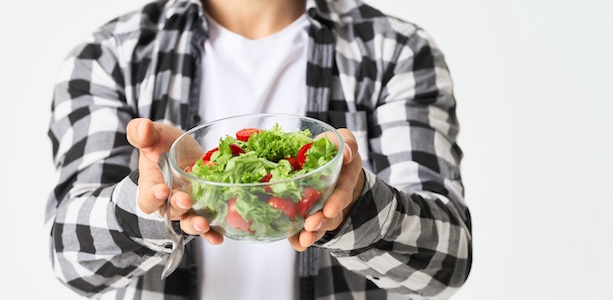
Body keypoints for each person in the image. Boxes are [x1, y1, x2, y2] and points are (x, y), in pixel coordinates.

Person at [45, 0, 472, 299]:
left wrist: (356, 204)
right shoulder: (109, 55)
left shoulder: (396, 50)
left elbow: (448, 262)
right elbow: (70, 258)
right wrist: (149, 202)